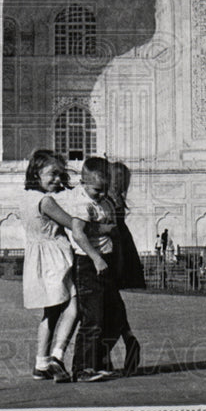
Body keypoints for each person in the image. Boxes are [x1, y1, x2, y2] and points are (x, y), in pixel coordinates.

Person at [55, 156, 122, 382]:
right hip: (89, 264)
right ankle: (82, 369)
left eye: (105, 189)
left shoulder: (100, 201)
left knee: (111, 317)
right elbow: (78, 233)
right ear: (83, 183)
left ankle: (99, 361)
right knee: (92, 318)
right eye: (96, 190)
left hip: (104, 262)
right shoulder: (82, 203)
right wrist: (96, 258)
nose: (101, 194)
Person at [20, 150, 81, 383]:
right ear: (37, 173)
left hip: (38, 258)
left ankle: (40, 363)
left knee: (51, 312)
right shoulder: (45, 201)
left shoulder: (25, 198)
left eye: (60, 175)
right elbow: (72, 224)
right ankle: (57, 355)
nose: (57, 179)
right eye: (53, 174)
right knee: (74, 306)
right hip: (55, 257)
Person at [106, 161, 143, 377]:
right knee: (112, 300)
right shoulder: (118, 198)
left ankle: (108, 351)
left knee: (108, 302)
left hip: (112, 251)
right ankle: (126, 340)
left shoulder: (108, 200)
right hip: (122, 250)